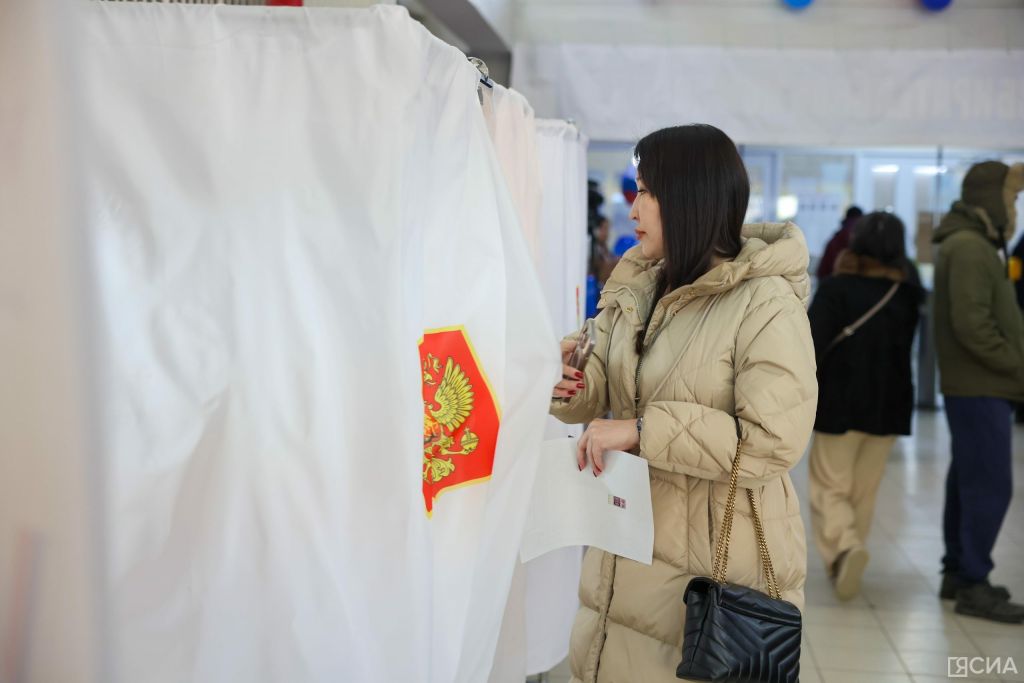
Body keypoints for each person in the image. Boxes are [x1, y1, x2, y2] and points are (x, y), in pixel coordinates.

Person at [549, 124, 818, 682]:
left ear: (688, 198)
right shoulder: (640, 283)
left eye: (647, 192)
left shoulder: (766, 302)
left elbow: (773, 440)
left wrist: (641, 430)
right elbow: (605, 380)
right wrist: (568, 381)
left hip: (712, 563)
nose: (633, 209)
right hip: (626, 543)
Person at [807, 212, 923, 600]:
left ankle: (845, 548)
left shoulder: (836, 289)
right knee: (864, 489)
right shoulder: (908, 294)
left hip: (839, 400)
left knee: (830, 484)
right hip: (889, 402)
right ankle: (849, 552)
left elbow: (811, 344)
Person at [933, 160, 1024, 623]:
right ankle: (973, 581)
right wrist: (1017, 365)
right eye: (1012, 198)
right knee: (989, 484)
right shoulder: (970, 247)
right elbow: (973, 325)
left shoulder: (972, 243)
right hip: (980, 383)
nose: (1015, 208)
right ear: (992, 199)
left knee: (969, 479)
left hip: (976, 384)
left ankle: (958, 571)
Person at [817, 206, 864, 279]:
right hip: (856, 281)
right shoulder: (862, 236)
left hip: (833, 280)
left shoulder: (836, 238)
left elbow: (822, 270)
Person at [588, 215, 618, 287]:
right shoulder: (592, 248)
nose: (607, 233)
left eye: (608, 229)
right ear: (596, 230)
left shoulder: (604, 247)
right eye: (605, 229)